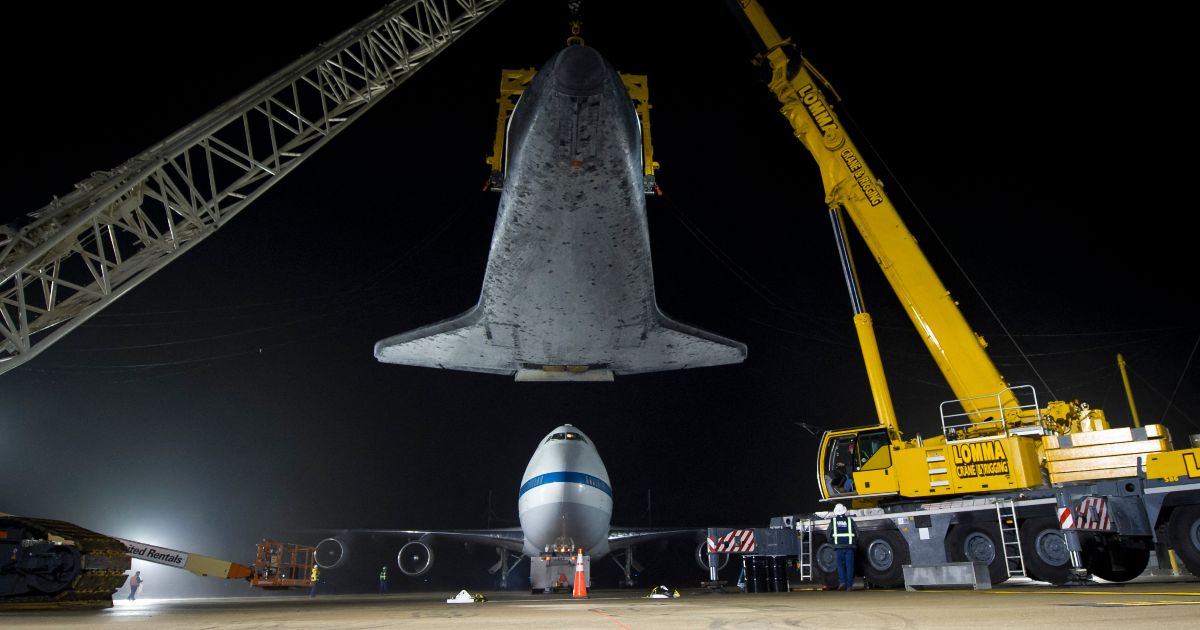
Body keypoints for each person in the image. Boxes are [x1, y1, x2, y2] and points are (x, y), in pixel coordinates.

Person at [826, 502, 858, 591]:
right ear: (844, 511)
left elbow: (828, 535)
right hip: (849, 548)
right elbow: (857, 533)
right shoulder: (850, 520)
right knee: (850, 566)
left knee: (840, 566)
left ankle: (842, 582)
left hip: (838, 548)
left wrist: (833, 543)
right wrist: (853, 542)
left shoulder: (833, 521)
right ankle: (849, 586)